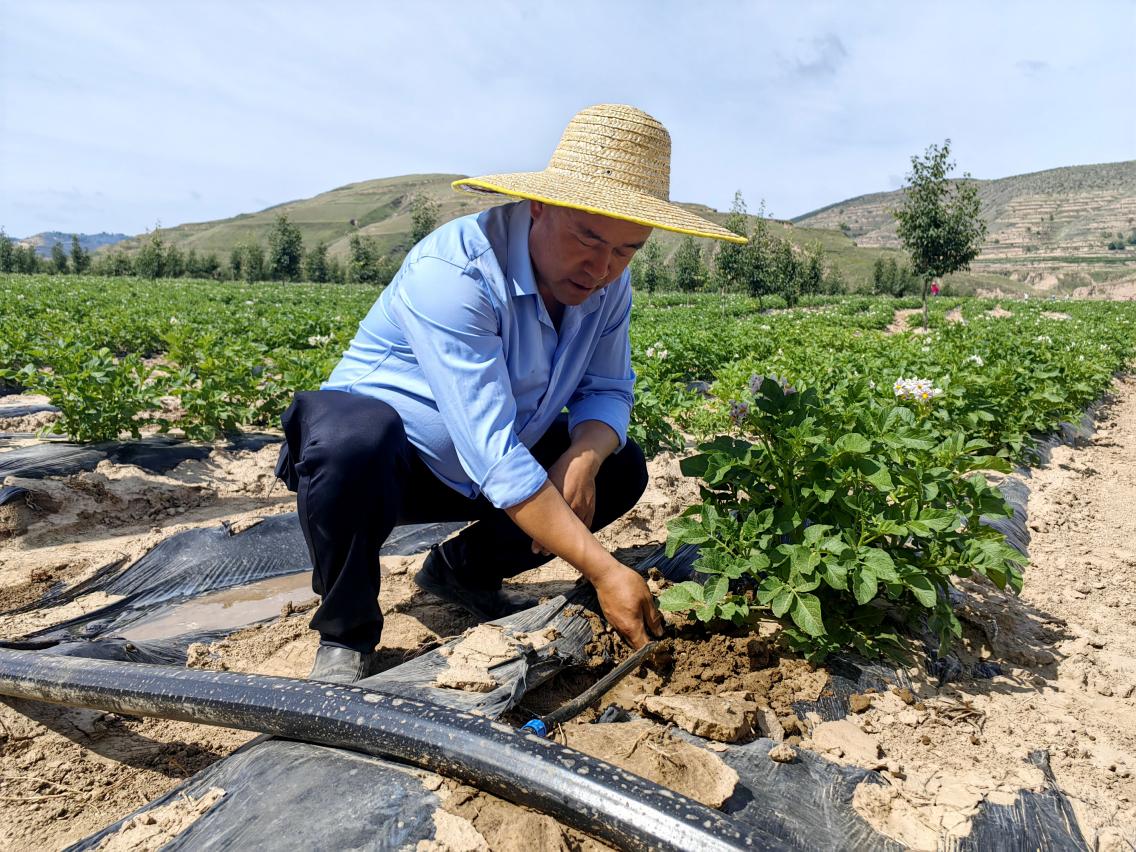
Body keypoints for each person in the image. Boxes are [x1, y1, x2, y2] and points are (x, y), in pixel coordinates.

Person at [275, 104, 747, 683]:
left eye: (628, 250)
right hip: (390, 469)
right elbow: (493, 451)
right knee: (352, 442)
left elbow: (608, 389)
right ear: (540, 206)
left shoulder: (608, 285)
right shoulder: (457, 272)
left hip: (489, 464)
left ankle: (461, 573)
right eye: (588, 238)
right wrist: (603, 571)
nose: (602, 267)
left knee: (620, 466)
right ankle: (345, 631)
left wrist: (585, 455)